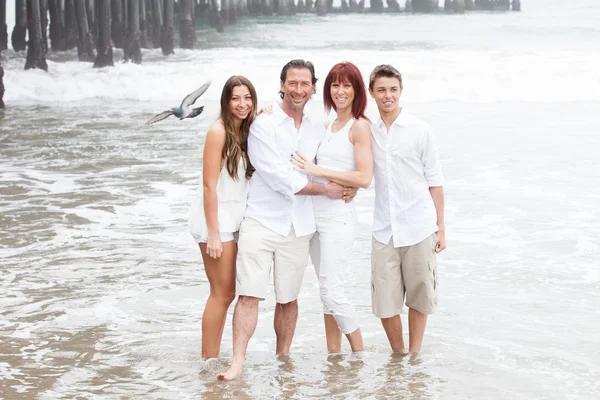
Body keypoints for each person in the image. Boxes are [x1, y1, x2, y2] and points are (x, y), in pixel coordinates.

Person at [217, 59, 351, 381]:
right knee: (249, 293)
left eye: (305, 84)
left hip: (300, 225)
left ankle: (283, 359)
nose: (298, 90)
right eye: (292, 83)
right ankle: (237, 362)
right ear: (281, 85)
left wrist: (349, 185)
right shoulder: (263, 124)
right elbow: (278, 176)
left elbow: (332, 157)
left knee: (288, 299)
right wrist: (325, 190)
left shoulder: (318, 126)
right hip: (261, 221)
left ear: (314, 88)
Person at [290, 61, 372, 353]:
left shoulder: (359, 126)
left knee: (333, 291)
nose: (340, 91)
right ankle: (333, 355)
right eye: (335, 85)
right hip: (315, 217)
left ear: (357, 90)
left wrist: (320, 170)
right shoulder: (327, 125)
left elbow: (364, 177)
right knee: (325, 295)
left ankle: (360, 353)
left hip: (339, 219)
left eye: (347, 85)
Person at [368, 64, 446, 354]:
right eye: (381, 90)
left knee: (419, 297)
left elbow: (435, 182)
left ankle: (413, 356)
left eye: (393, 89)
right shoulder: (367, 130)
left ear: (401, 91)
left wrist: (441, 227)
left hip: (419, 226)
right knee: (385, 303)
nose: (388, 95)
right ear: (372, 93)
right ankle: (398, 354)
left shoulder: (420, 130)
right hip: (384, 229)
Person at [189, 76, 257, 359]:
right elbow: (208, 185)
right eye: (235, 98)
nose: (242, 104)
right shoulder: (218, 131)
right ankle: (208, 359)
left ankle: (214, 356)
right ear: (225, 102)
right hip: (216, 220)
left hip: (236, 217)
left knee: (228, 293)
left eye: (247, 98)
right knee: (222, 293)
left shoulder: (246, 129)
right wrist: (214, 234)